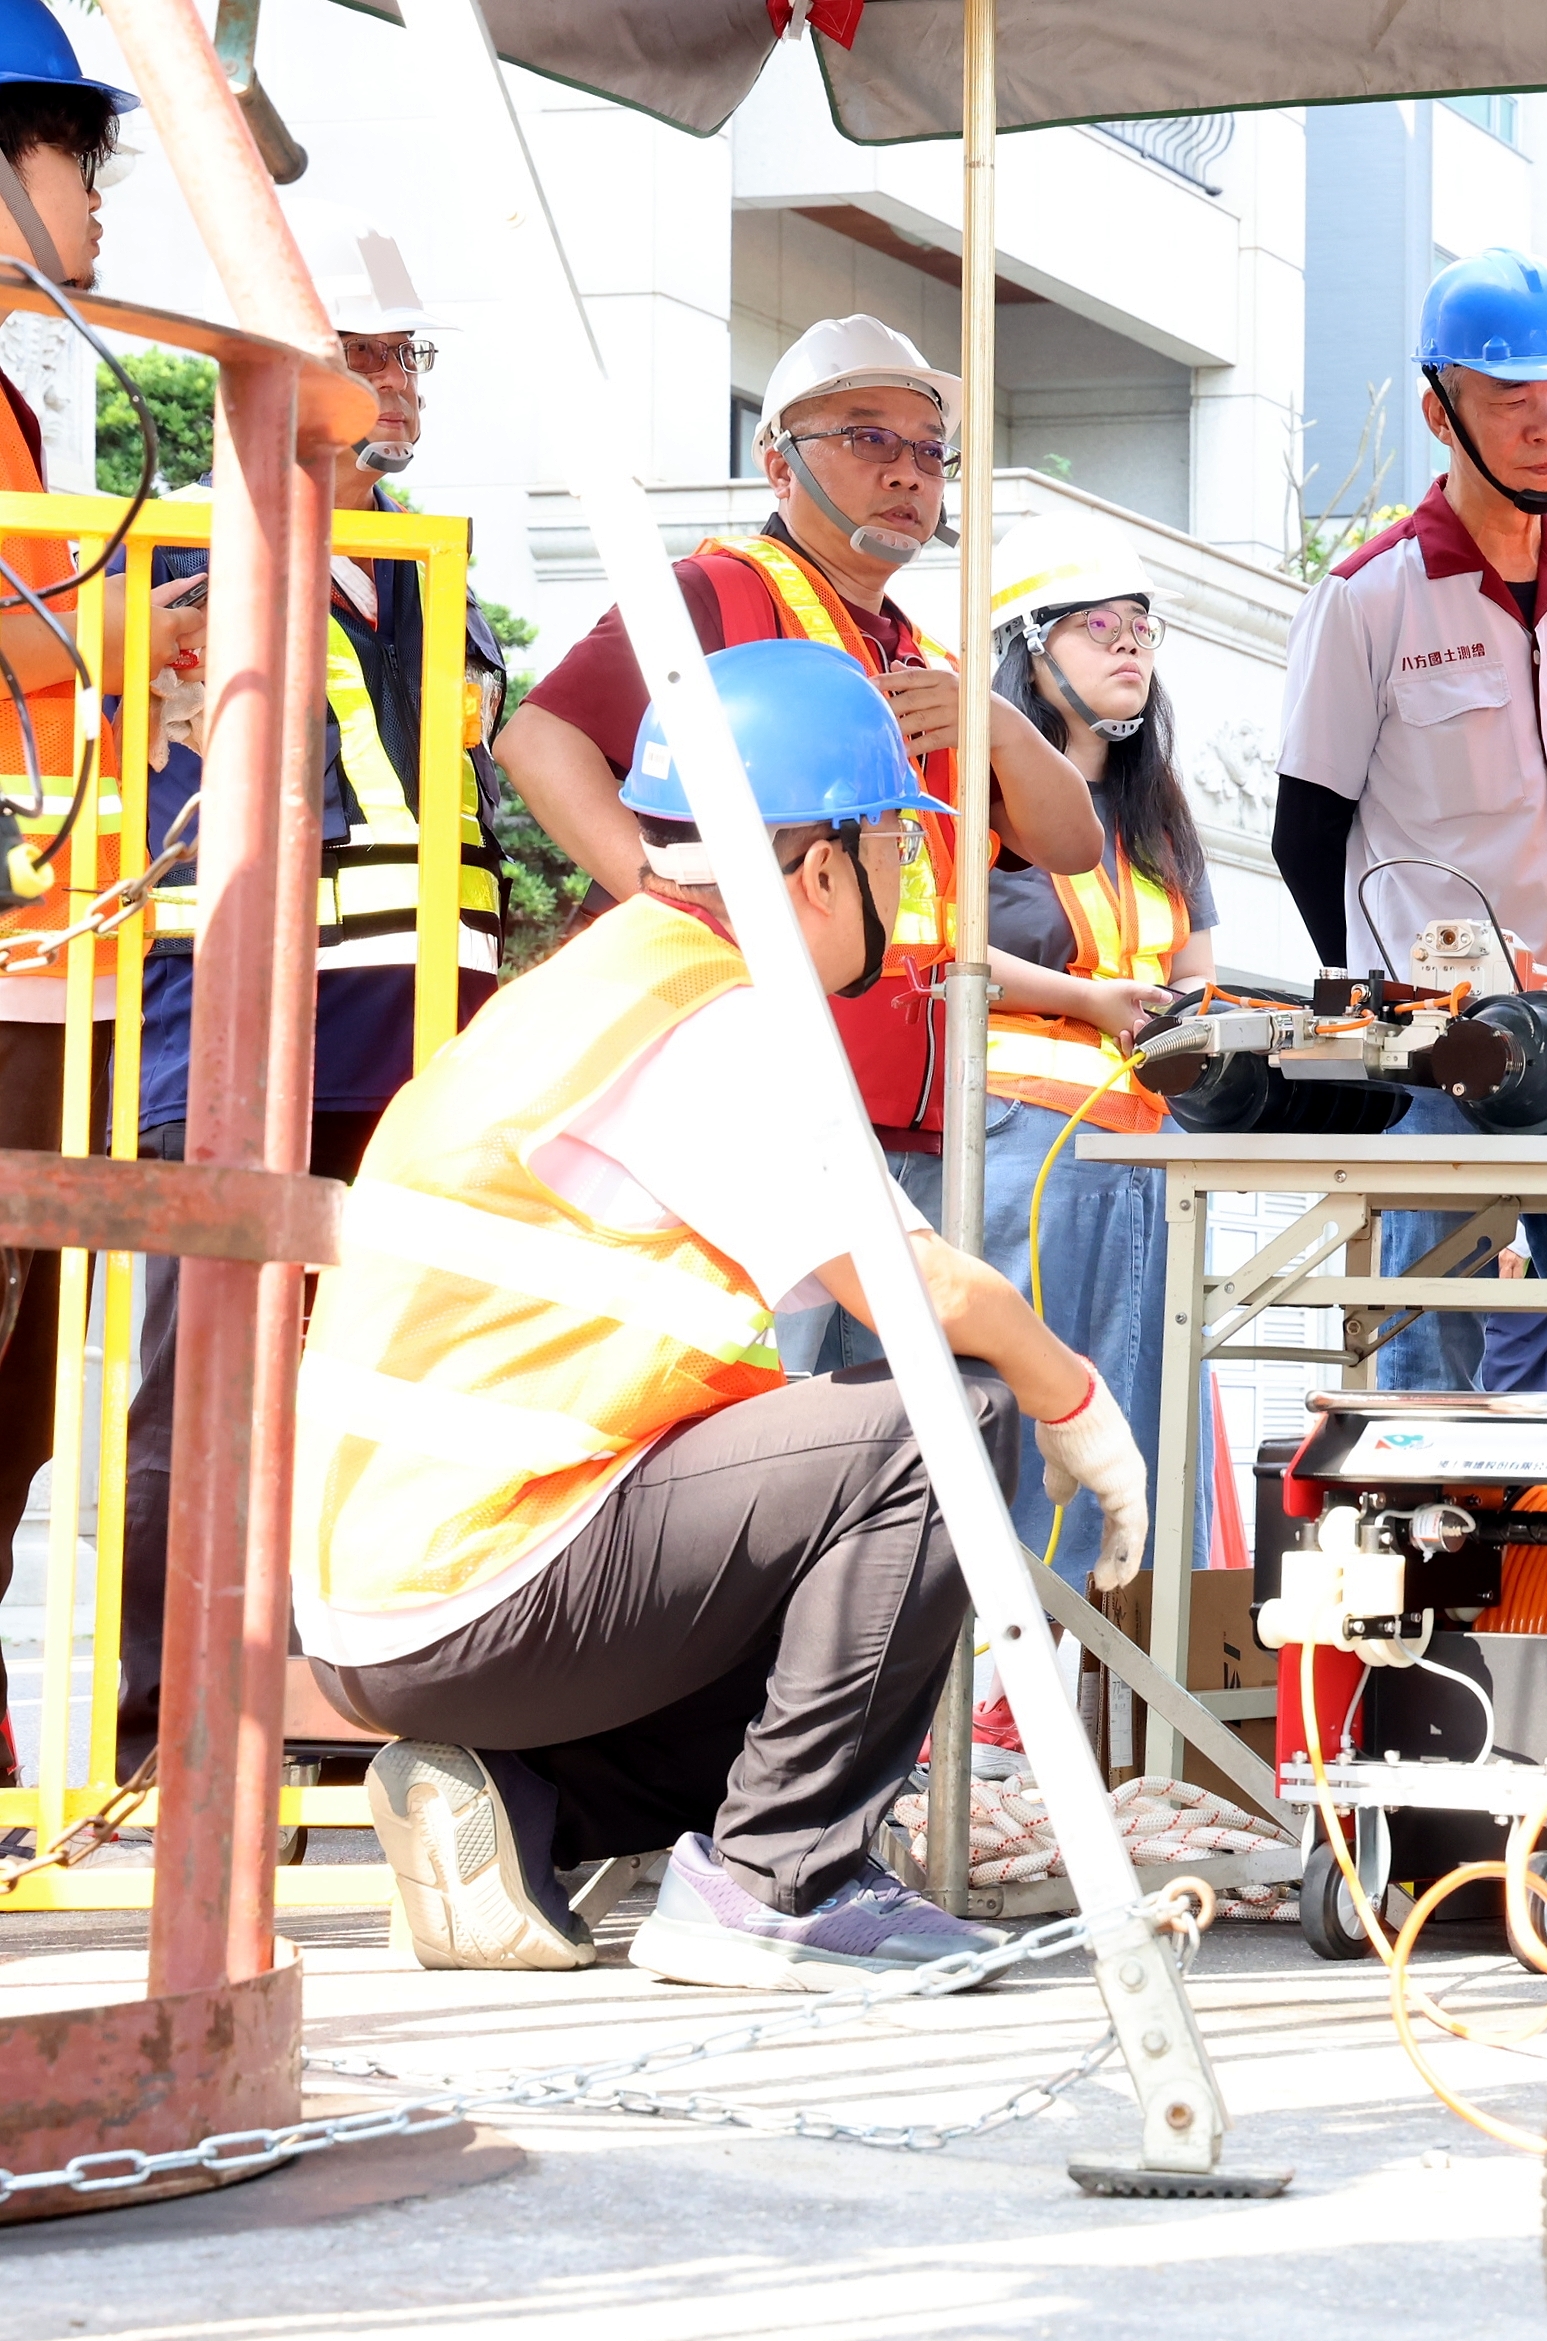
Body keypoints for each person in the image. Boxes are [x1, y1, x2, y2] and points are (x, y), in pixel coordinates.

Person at [307, 638, 1149, 1985]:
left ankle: (521, 1801)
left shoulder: (603, 979)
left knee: (835, 1608)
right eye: (897, 846)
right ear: (821, 867)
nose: (908, 881)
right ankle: (780, 1883)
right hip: (477, 1579)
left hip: (412, 1594)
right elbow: (923, 1288)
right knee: (940, 1424)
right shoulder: (708, 1020)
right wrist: (1076, 1401)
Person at [102, 203, 512, 1772]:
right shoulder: (196, 545)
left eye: (410, 357)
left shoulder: (432, 565)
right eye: (368, 353)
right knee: (201, 1392)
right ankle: (173, 1735)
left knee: (387, 1384)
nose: (397, 384)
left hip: (418, 1043)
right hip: (237, 1032)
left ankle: (341, 1710)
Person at [498, 313, 1103, 1370]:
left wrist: (998, 724)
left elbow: (1072, 843)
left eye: (930, 451)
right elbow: (538, 739)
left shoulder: (924, 658)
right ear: (778, 463)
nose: (907, 472)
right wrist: (660, 893)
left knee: (898, 1426)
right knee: (758, 1396)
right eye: (868, 438)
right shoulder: (714, 592)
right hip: (754, 1105)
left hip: (912, 1115)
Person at [1275, 248, 1547, 1395]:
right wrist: (1382, 1011)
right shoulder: (1370, 596)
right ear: (1441, 412)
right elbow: (1305, 829)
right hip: (1444, 1049)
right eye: (1511, 400)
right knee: (1431, 1349)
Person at [0, 5, 200, 1794]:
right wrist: (158, 624)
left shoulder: (11, 403)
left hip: (50, 965)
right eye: (78, 155)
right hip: (12, 971)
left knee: (18, 1407)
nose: (101, 197)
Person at [971, 510, 1212, 1575]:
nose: (1129, 647)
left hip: (1152, 1154)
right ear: (1027, 648)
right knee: (1042, 1429)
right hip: (1025, 1148)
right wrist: (1087, 998)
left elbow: (1195, 964)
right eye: (1098, 626)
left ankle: (1132, 1662)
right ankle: (1012, 1660)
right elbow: (942, 952)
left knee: (1149, 1429)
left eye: (1142, 629)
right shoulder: (973, 793)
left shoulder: (1156, 807)